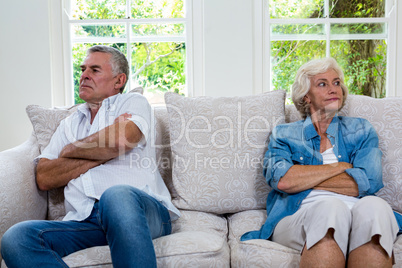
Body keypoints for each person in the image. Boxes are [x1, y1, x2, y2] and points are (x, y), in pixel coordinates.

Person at [1, 45, 180, 267]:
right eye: (83, 69)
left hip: (140, 212)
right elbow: (45, 177)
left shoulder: (133, 103)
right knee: (17, 237)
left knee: (116, 196)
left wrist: (69, 151)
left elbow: (122, 140)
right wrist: (104, 149)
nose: (84, 75)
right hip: (85, 220)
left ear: (119, 80)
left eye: (94, 70)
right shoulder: (69, 123)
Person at [241, 57, 402, 267]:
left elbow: (368, 181)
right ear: (306, 96)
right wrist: (340, 167)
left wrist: (303, 176)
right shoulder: (284, 134)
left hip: (357, 212)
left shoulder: (361, 129)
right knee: (330, 207)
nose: (334, 89)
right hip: (300, 214)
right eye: (323, 84)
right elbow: (283, 181)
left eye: (336, 83)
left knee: (376, 206)